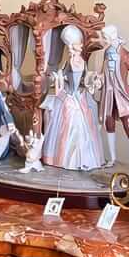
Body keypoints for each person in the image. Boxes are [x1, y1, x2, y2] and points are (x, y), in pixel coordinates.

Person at [40, 24, 106, 171]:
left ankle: (77, 159)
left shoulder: (77, 62)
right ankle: (70, 159)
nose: (70, 49)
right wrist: (58, 77)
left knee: (77, 125)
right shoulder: (70, 62)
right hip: (71, 95)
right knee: (69, 123)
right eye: (69, 45)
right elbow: (66, 78)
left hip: (76, 96)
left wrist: (91, 80)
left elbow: (83, 79)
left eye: (72, 45)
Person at [95, 23, 129, 173]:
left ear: (112, 37)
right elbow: (103, 73)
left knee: (128, 126)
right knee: (109, 125)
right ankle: (112, 159)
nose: (103, 40)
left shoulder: (125, 55)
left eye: (105, 37)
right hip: (108, 95)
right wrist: (98, 80)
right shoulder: (106, 53)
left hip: (122, 95)